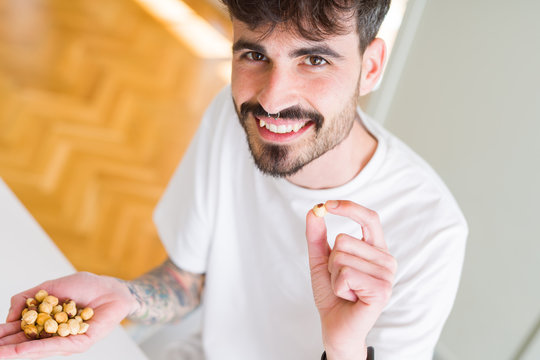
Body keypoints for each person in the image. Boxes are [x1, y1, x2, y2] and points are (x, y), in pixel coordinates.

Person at [0, 0, 468, 359]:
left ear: (370, 67)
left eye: (315, 60)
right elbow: (188, 281)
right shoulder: (233, 118)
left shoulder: (432, 231)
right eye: (254, 54)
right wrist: (123, 295)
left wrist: (344, 345)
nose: (271, 99)